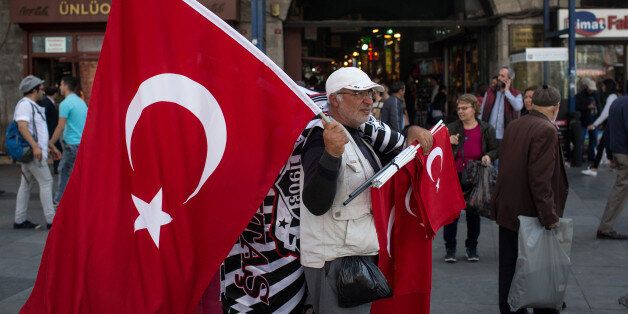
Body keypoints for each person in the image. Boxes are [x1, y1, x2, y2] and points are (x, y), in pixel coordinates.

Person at [300, 67, 433, 313]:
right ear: (334, 100)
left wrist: (410, 133)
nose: (369, 100)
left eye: (371, 93)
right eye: (358, 93)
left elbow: (397, 162)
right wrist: (331, 155)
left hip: (356, 254)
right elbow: (315, 203)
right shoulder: (321, 137)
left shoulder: (360, 135)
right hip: (335, 261)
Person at [493, 85, 568, 314]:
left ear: (532, 103)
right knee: (539, 273)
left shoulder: (516, 124)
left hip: (508, 210)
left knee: (509, 268)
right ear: (556, 108)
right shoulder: (546, 130)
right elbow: (540, 180)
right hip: (531, 214)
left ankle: (509, 309)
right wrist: (549, 217)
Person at [443, 94, 498, 263]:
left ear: (474, 108)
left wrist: (488, 156)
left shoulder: (486, 128)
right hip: (454, 176)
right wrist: (447, 141)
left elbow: (496, 149)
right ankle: (450, 249)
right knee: (451, 214)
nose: (460, 111)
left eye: (464, 108)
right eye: (458, 108)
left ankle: (471, 247)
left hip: (475, 176)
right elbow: (435, 148)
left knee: (473, 213)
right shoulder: (450, 128)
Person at [13, 75, 61, 229]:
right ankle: (51, 220)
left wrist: (51, 147)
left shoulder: (32, 105)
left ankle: (19, 220)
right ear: (34, 90)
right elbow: (22, 126)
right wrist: (35, 147)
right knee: (46, 182)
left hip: (35, 152)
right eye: (41, 89)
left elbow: (37, 132)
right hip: (34, 154)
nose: (43, 92)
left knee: (25, 186)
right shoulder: (25, 105)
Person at [49, 76, 88, 205]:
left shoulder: (65, 104)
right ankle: (81, 199)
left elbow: (60, 126)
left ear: (65, 85)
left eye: (60, 84)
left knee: (64, 171)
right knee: (80, 173)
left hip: (71, 144)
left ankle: (59, 201)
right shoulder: (81, 102)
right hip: (82, 143)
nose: (59, 87)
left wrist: (51, 142)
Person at [596, 95, 628, 240]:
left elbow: (608, 129)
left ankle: (606, 227)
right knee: (621, 189)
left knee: (621, 188)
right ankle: (605, 227)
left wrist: (609, 154)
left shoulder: (616, 102)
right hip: (625, 153)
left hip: (618, 151)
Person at [582, 79, 619, 176]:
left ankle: (601, 166)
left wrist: (594, 124)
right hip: (612, 125)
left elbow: (605, 113)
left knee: (603, 145)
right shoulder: (613, 96)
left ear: (608, 86)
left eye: (603, 86)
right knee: (602, 145)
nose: (602, 88)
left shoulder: (611, 97)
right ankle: (595, 167)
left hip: (612, 124)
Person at [480, 66, 523, 142]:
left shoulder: (516, 94)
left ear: (510, 79)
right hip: (489, 135)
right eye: (499, 75)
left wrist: (507, 92)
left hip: (506, 136)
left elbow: (518, 107)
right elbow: (482, 111)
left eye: (502, 76)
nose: (499, 78)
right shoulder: (490, 92)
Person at [576, 77, 602, 164]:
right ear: (587, 87)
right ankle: (581, 157)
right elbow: (577, 107)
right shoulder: (580, 95)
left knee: (593, 139)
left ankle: (591, 157)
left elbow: (599, 106)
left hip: (594, 120)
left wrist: (599, 118)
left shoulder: (596, 94)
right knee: (581, 139)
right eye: (590, 89)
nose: (591, 91)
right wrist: (587, 107)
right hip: (584, 120)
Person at [38, 86, 61, 174]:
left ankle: (56, 168)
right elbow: (45, 117)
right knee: (57, 149)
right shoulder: (46, 102)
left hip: (52, 130)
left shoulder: (49, 101)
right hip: (50, 130)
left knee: (55, 149)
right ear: (55, 94)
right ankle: (56, 168)